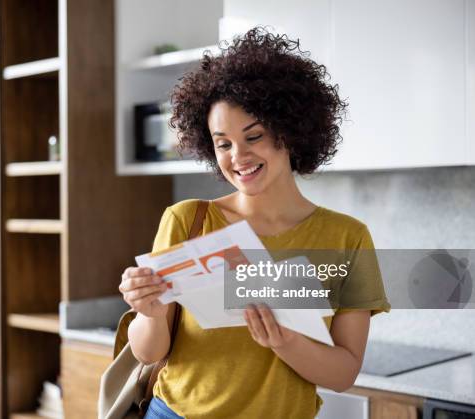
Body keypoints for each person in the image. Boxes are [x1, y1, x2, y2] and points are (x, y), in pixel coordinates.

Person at [118, 27, 390, 419]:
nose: (238, 156)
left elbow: (344, 372)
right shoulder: (187, 220)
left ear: (291, 131)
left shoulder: (348, 237)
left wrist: (285, 341)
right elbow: (149, 352)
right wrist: (150, 312)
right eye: (223, 143)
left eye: (254, 136)